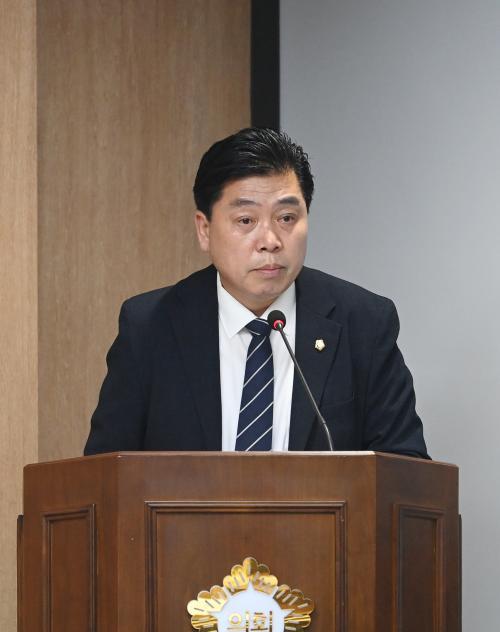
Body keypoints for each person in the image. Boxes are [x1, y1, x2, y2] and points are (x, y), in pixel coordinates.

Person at [84, 127, 428, 458]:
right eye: (246, 221)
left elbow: (404, 472)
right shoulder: (150, 327)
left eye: (287, 218)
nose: (270, 241)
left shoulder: (364, 324)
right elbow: (106, 475)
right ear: (205, 230)